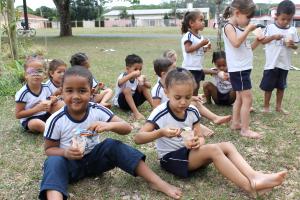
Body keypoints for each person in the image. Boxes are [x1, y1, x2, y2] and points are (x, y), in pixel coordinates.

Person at [135, 68, 287, 197]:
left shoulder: (193, 110)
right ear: (166, 92)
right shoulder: (160, 112)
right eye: (177, 97)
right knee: (214, 149)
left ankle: (254, 176)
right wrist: (161, 132)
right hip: (171, 159)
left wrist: (197, 142)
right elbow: (138, 138)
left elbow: (200, 137)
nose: (183, 102)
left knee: (227, 145)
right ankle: (249, 187)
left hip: (189, 154)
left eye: (188, 97)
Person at [39, 66, 182, 200]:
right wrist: (65, 153)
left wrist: (108, 125)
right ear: (61, 92)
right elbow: (49, 149)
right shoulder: (56, 120)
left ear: (91, 92)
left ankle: (156, 182)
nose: (76, 96)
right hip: (69, 166)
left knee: (112, 145)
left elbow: (126, 128)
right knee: (53, 162)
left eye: (82, 90)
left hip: (94, 162)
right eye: (69, 91)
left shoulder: (97, 109)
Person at [223, 0, 264, 139]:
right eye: (248, 17)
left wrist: (258, 40)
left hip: (243, 68)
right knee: (248, 99)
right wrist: (248, 30)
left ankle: (235, 123)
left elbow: (247, 49)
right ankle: (245, 129)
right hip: (238, 70)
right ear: (237, 13)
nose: (249, 21)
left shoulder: (240, 29)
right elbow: (235, 43)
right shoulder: (229, 27)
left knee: (240, 98)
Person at [152, 57, 231, 126]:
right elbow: (156, 109)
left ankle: (215, 118)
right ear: (163, 74)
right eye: (173, 70)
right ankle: (199, 126)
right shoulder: (157, 89)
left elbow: (177, 98)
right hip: (169, 113)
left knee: (196, 103)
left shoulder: (172, 85)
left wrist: (193, 98)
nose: (176, 71)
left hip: (177, 107)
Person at [260, 0, 298, 114]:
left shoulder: (292, 30)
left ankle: (278, 107)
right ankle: (266, 107)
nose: (286, 22)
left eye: (289, 19)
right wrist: (273, 37)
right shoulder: (270, 28)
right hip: (272, 64)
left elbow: (296, 46)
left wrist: (292, 45)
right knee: (268, 88)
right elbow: (263, 41)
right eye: (283, 19)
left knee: (281, 87)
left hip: (285, 64)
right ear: (276, 16)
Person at [15, 56, 61, 133]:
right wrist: (37, 109)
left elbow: (49, 99)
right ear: (26, 75)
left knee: (61, 104)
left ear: (45, 75)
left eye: (39, 71)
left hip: (45, 115)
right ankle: (52, 132)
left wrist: (52, 100)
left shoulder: (46, 87)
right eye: (31, 71)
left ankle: (61, 123)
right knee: (36, 123)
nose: (36, 74)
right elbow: (18, 114)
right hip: (30, 119)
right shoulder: (23, 93)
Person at [112, 54, 154, 120]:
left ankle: (154, 106)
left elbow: (149, 86)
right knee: (127, 90)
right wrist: (132, 74)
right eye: (135, 69)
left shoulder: (138, 77)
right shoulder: (123, 76)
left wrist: (144, 81)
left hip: (134, 101)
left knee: (142, 86)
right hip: (122, 103)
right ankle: (136, 113)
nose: (138, 71)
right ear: (127, 69)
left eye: (140, 69)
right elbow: (120, 83)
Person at [181, 10, 211, 96]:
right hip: (189, 68)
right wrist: (201, 44)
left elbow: (199, 50)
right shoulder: (188, 35)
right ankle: (189, 104)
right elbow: (188, 49)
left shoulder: (200, 37)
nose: (203, 22)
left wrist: (205, 48)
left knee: (197, 86)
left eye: (203, 20)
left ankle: (194, 104)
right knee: (190, 88)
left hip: (197, 67)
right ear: (191, 23)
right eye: (201, 20)